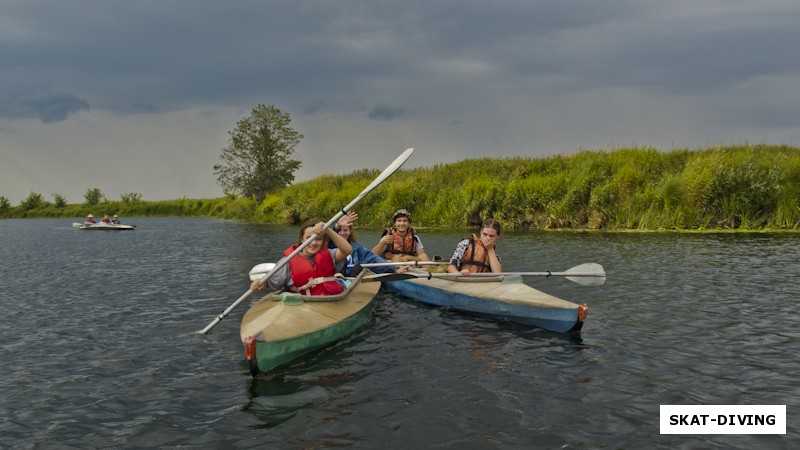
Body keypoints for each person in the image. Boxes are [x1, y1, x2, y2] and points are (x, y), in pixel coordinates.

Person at [251, 218, 352, 295]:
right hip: (301, 303)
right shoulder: (288, 261)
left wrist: (328, 229)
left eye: (319, 239)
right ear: (301, 240)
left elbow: (347, 250)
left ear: (323, 242)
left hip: (331, 300)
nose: (313, 242)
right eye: (308, 238)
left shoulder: (330, 254)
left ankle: (342, 279)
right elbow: (270, 282)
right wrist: (260, 284)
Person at [332, 211, 409, 276]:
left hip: (348, 280)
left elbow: (372, 258)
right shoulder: (329, 245)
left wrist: (394, 269)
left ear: (350, 232)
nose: (342, 233)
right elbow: (325, 236)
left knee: (358, 268)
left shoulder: (357, 247)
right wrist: (336, 226)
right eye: (339, 230)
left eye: (345, 230)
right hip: (332, 278)